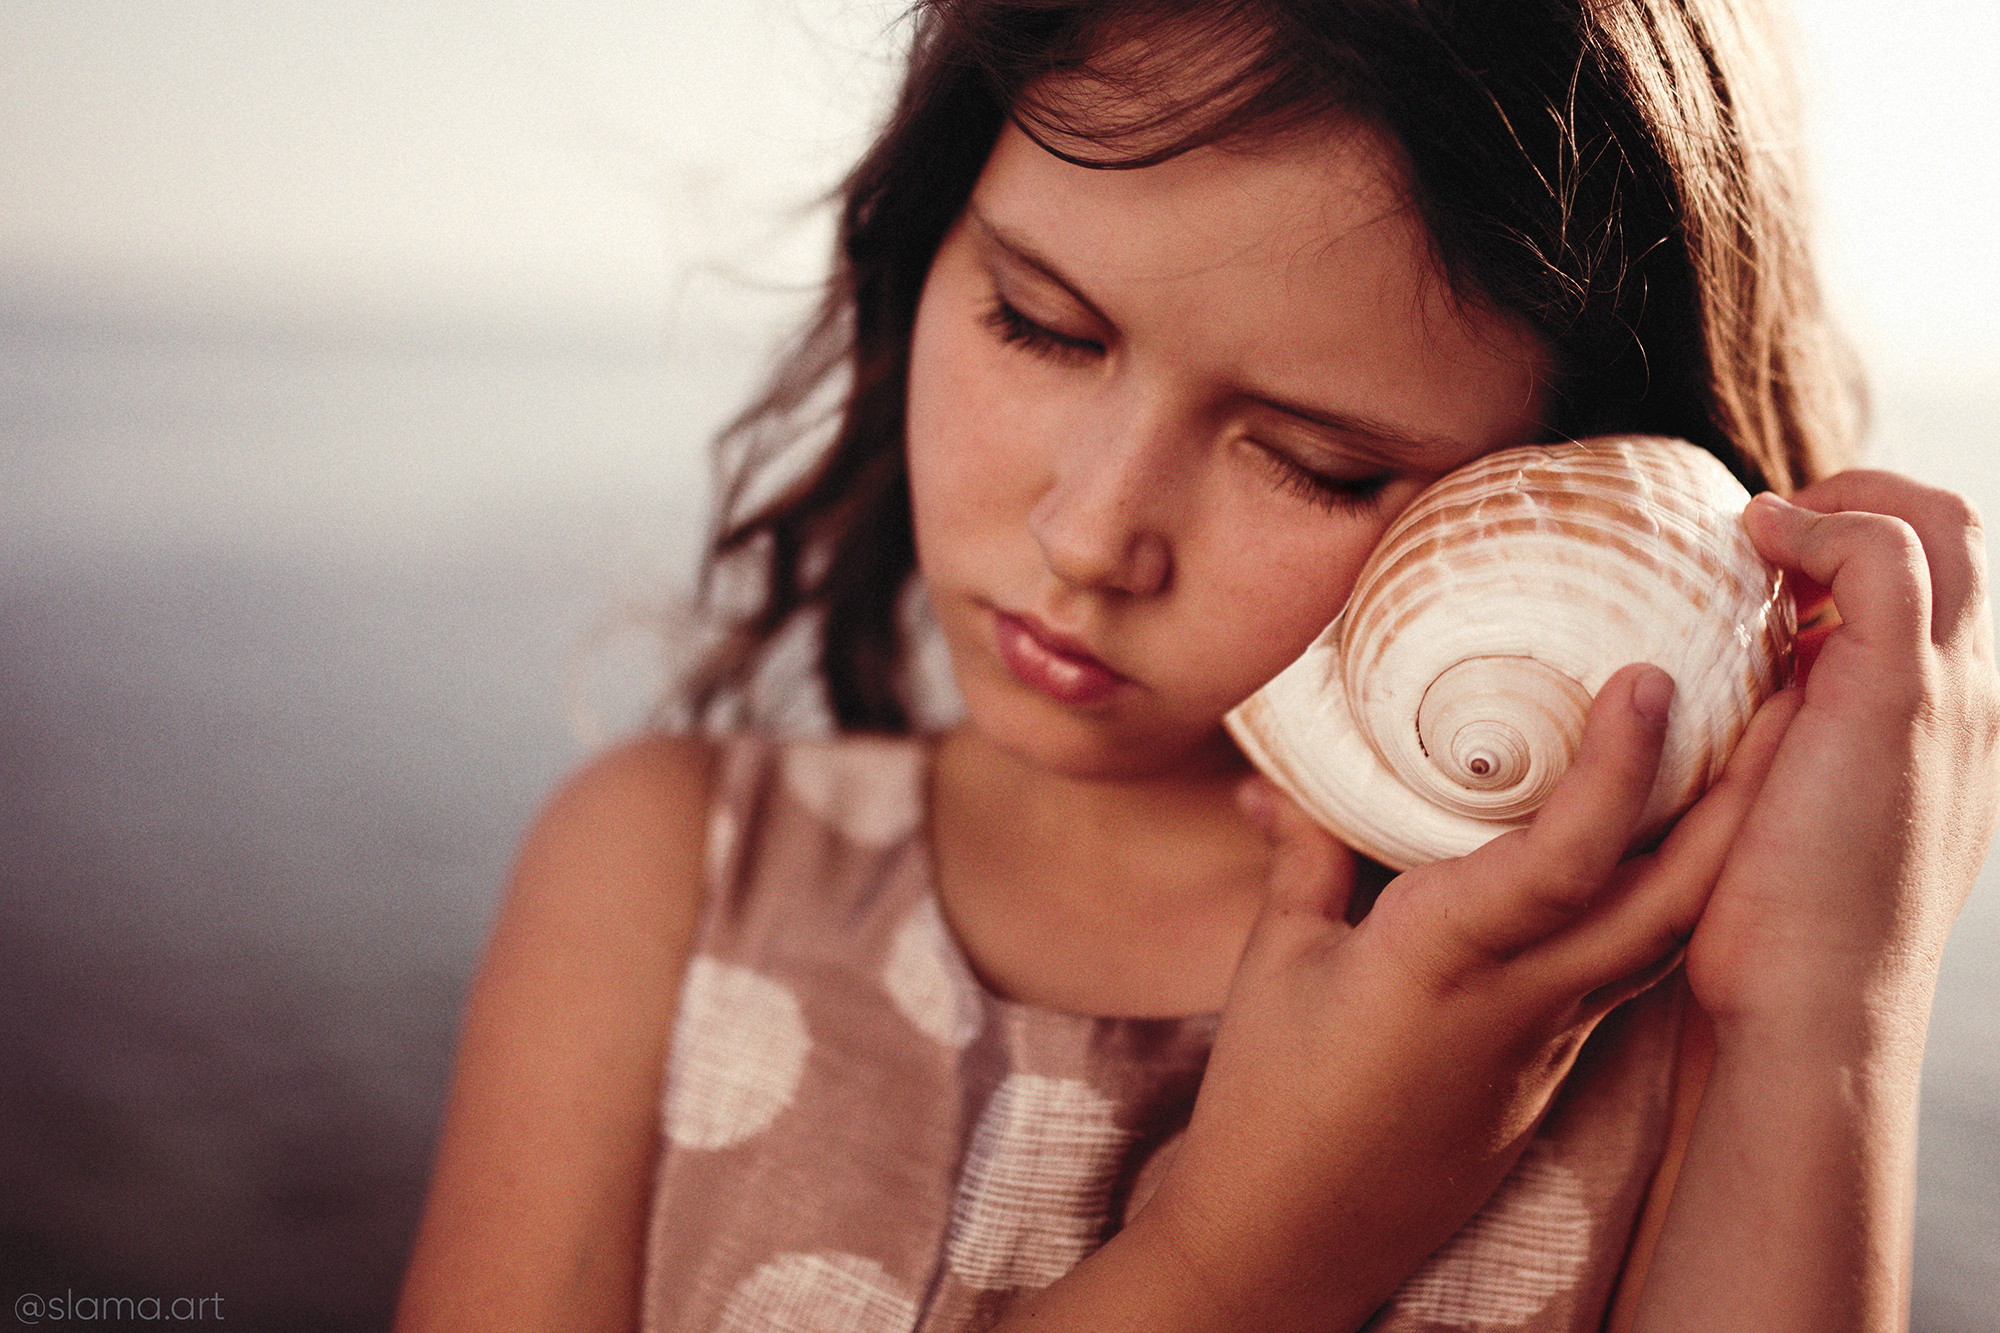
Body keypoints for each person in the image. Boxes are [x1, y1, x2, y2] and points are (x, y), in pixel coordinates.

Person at [395, 0, 2000, 1328]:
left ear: (1573, 471)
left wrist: (1827, 1010)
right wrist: (1246, 1262)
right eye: (1039, 324)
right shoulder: (673, 874)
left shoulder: (1641, 1009)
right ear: (925, 242)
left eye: (1314, 459)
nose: (1094, 535)